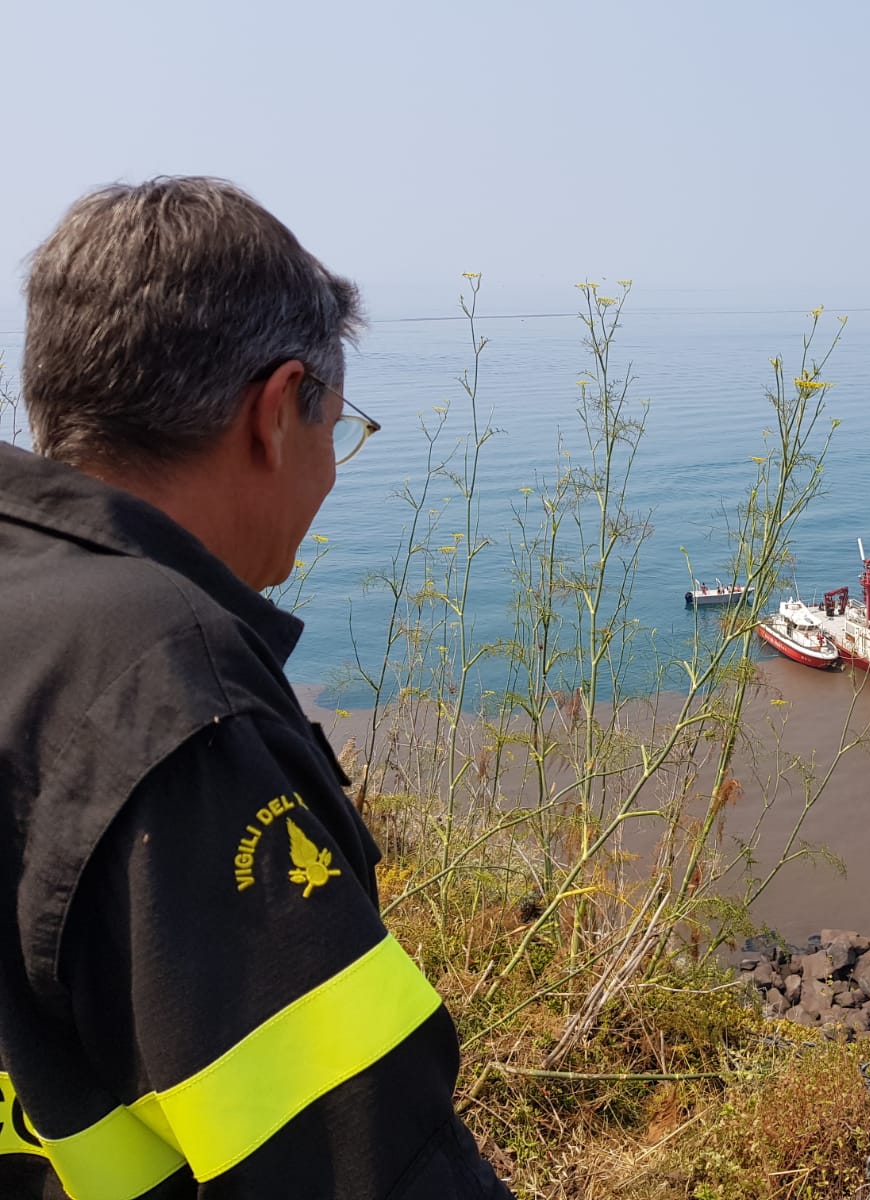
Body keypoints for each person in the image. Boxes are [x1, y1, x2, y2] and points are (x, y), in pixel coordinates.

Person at [0, 178, 510, 1198]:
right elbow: (359, 1161)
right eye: (337, 425)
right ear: (278, 412)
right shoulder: (166, 695)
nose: (329, 469)